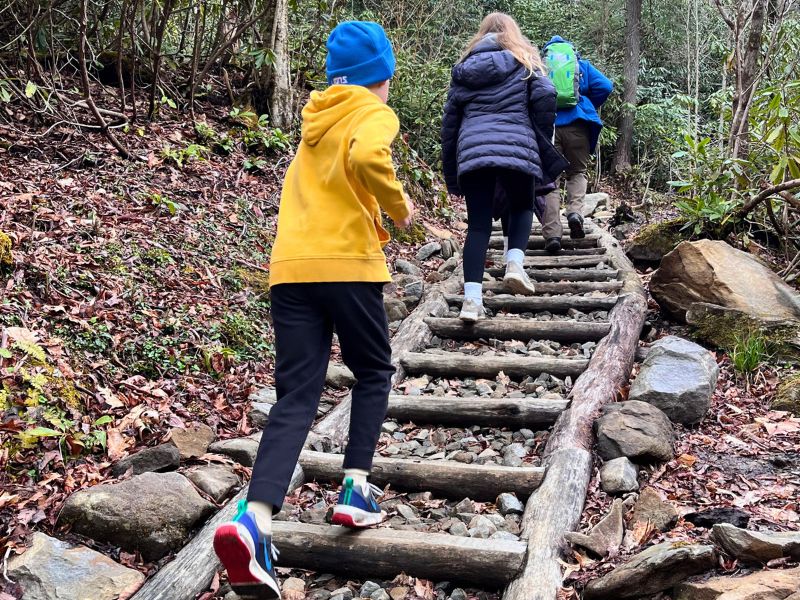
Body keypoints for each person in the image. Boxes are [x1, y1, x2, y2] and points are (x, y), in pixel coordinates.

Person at [212, 21, 413, 599]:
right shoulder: (371, 113)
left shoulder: (313, 122)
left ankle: (256, 520)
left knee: (296, 395)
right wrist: (395, 208)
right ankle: (354, 490)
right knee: (374, 371)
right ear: (383, 76)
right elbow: (371, 156)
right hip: (348, 266)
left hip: (291, 271)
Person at [442, 12, 562, 322]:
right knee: (522, 205)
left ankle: (471, 302)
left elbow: (450, 124)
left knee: (478, 226)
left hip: (473, 150)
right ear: (513, 33)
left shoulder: (464, 69)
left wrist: (453, 167)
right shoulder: (524, 61)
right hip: (516, 143)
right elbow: (547, 94)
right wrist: (538, 130)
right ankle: (514, 266)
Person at [540, 36, 612, 253]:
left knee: (550, 180)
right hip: (579, 125)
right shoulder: (581, 66)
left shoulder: (540, 66)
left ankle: (552, 235)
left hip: (550, 128)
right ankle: (575, 214)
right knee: (577, 172)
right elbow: (606, 86)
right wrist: (586, 101)